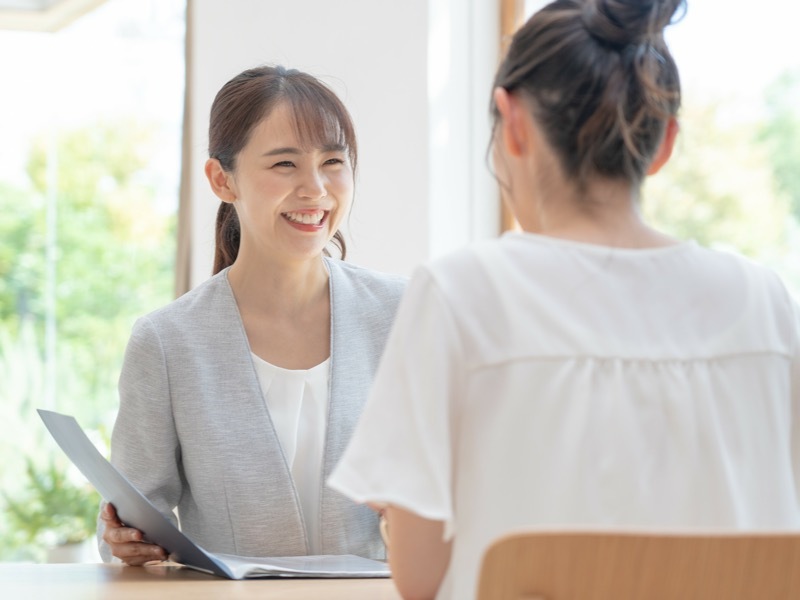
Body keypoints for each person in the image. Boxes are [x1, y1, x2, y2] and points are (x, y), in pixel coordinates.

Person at [327, 0, 800, 598]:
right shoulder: (763, 302)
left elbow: (420, 581)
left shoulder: (461, 293)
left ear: (514, 122)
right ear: (664, 144)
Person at [97, 65, 406, 565]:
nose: (315, 188)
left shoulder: (403, 314)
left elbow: (459, 495)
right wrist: (124, 543)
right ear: (223, 180)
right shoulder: (167, 341)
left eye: (333, 161)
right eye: (284, 164)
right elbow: (127, 527)